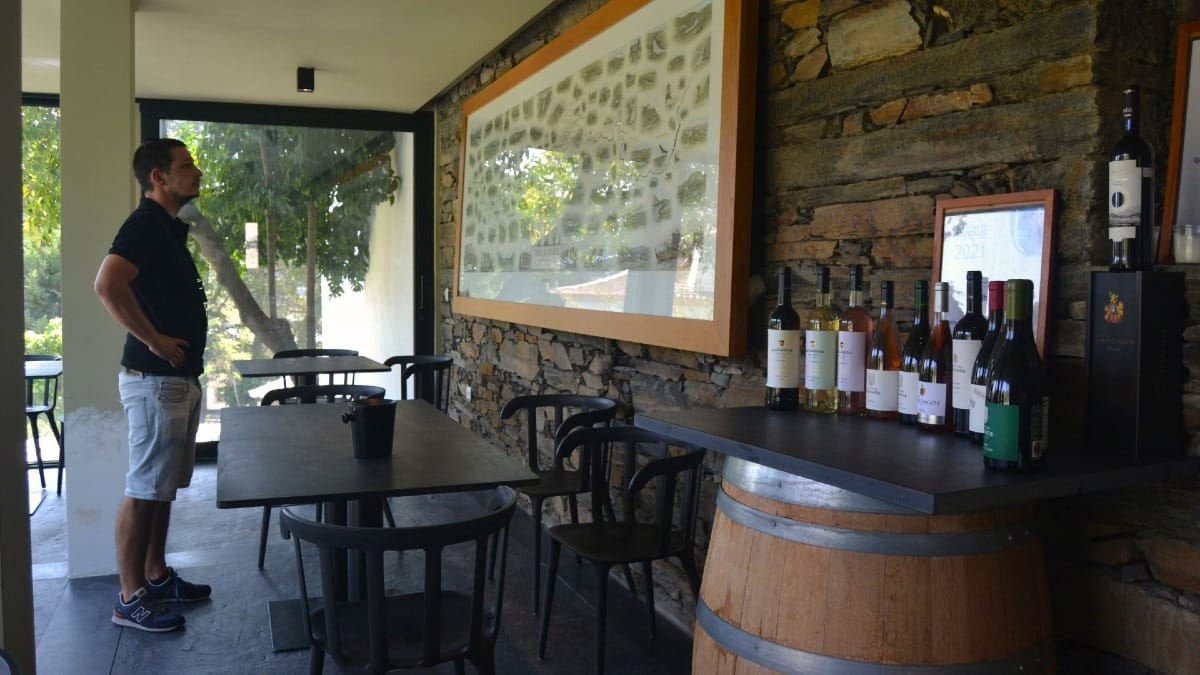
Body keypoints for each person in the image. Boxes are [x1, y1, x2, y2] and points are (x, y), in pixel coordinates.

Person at [94, 138, 211, 633]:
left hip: (176, 381)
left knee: (161, 490)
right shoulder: (144, 225)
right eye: (186, 165)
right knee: (143, 490)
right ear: (159, 177)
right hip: (154, 381)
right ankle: (129, 598)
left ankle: (156, 576)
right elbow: (107, 283)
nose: (197, 172)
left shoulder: (167, 228)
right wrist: (155, 340)